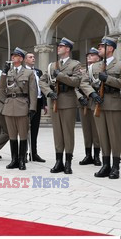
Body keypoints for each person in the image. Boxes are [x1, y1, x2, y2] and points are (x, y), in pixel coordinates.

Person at [80, 37, 121, 179]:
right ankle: (106, 165)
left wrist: (108, 79)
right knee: (102, 135)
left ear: (111, 48)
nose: (99, 49)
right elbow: (84, 82)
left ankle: (115, 166)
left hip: (114, 104)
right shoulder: (93, 67)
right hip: (97, 103)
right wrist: (91, 93)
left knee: (115, 136)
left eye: (102, 47)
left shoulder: (119, 65)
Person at [40, 37, 82, 174]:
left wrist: (61, 76)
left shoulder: (75, 64)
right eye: (59, 46)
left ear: (68, 49)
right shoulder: (51, 65)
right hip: (55, 101)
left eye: (62, 46)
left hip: (68, 101)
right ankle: (59, 161)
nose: (58, 48)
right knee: (57, 133)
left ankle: (68, 162)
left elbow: (76, 82)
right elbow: (42, 81)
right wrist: (49, 92)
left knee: (68, 133)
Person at [0, 47, 37, 170]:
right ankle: (14, 160)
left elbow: (33, 91)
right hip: (9, 106)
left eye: (15, 56)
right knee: (12, 135)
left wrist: (32, 108)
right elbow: (0, 88)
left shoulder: (28, 73)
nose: (13, 58)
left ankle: (22, 160)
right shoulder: (8, 72)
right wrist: (3, 73)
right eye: (12, 56)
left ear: (21, 58)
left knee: (23, 134)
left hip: (22, 105)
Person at [76, 48, 102, 166]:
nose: (89, 57)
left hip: (96, 103)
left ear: (98, 57)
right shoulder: (82, 71)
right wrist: (80, 97)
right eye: (88, 56)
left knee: (96, 130)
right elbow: (75, 86)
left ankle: (97, 156)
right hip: (84, 103)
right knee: (86, 130)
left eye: (92, 55)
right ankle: (88, 155)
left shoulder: (102, 69)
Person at [24, 52, 47, 162]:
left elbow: (42, 87)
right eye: (30, 57)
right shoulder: (22, 71)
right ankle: (23, 153)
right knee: (24, 129)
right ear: (25, 60)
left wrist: (44, 104)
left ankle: (34, 153)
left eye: (33, 57)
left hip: (37, 102)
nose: (33, 58)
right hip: (26, 102)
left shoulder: (38, 71)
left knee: (35, 128)